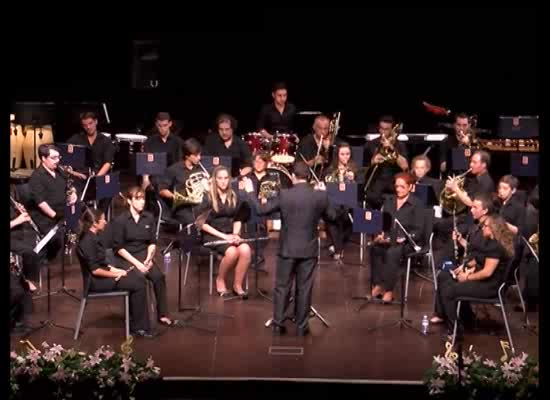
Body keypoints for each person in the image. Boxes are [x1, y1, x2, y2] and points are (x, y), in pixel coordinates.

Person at [242, 161, 338, 336]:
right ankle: (302, 327)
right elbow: (332, 217)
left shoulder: (284, 195)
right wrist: (325, 195)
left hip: (287, 249)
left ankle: (278, 325)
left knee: (282, 287)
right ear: (309, 177)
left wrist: (249, 192)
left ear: (293, 177)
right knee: (305, 288)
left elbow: (261, 210)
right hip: (308, 250)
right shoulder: (320, 196)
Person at [432, 214, 515, 336]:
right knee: (445, 277)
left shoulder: (496, 247)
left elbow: (487, 272)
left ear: (494, 229)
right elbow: (479, 260)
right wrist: (466, 269)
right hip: (484, 282)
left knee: (449, 291)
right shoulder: (490, 242)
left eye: (485, 226)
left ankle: (454, 329)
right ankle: (466, 319)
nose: (482, 228)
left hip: (489, 287)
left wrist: (466, 277)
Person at [76, 208, 153, 338]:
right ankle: (139, 327)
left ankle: (135, 322)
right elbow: (95, 270)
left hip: (102, 275)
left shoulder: (95, 236)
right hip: (96, 283)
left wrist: (116, 270)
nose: (105, 222)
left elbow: (102, 263)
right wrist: (116, 275)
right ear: (95, 223)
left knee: (137, 277)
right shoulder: (87, 241)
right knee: (138, 283)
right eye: (103, 219)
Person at [111, 186, 176, 328]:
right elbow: (118, 248)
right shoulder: (120, 220)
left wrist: (149, 258)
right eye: (138, 199)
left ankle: (163, 314)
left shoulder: (149, 217)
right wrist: (138, 264)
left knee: (159, 277)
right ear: (129, 201)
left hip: (144, 255)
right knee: (139, 279)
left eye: (143, 199)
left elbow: (152, 242)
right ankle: (139, 321)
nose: (142, 202)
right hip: (127, 257)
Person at [369, 172, 423, 303]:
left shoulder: (417, 204)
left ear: (410, 187)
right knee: (374, 248)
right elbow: (383, 223)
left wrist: (404, 238)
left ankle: (388, 290)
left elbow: (418, 230)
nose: (398, 189)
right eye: (397, 186)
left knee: (392, 252)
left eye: (402, 187)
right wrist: (381, 235)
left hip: (408, 241)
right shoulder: (389, 201)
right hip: (389, 238)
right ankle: (378, 285)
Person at [199, 166, 252, 298]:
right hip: (213, 234)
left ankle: (237, 285)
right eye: (220, 178)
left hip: (230, 233)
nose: (223, 181)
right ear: (215, 180)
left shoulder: (234, 195)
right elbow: (202, 224)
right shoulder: (207, 197)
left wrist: (235, 234)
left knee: (245, 249)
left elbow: (238, 218)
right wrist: (224, 237)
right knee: (232, 252)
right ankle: (220, 279)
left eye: (226, 178)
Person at [28, 144, 78, 261]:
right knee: (57, 237)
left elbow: (70, 186)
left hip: (62, 210)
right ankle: (51, 260)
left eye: (58, 157)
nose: (57, 161)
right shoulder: (36, 177)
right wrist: (58, 217)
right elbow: (41, 203)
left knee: (84, 220)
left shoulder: (59, 171)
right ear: (43, 158)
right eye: (53, 158)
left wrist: (73, 193)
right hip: (47, 216)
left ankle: (72, 247)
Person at [67, 111, 116, 213]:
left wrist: (96, 177)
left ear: (96, 122)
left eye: (90, 123)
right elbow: (65, 160)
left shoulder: (105, 141)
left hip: (97, 177)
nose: (88, 127)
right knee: (71, 189)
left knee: (110, 186)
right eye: (85, 125)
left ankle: (100, 217)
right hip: (79, 177)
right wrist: (74, 173)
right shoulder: (76, 139)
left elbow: (107, 163)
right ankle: (79, 218)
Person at [157, 138, 209, 225]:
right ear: (187, 156)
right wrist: (178, 197)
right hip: (183, 208)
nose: (199, 158)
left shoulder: (201, 169)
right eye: (196, 155)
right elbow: (162, 190)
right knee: (196, 221)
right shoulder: (173, 170)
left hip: (201, 205)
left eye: (200, 155)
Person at [363, 115, 409, 209]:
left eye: (387, 129)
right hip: (376, 184)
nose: (383, 132)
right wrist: (373, 161)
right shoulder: (370, 144)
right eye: (381, 129)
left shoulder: (400, 145)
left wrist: (392, 148)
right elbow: (363, 169)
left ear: (392, 130)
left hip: (393, 184)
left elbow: (405, 166)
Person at [322, 142, 357, 260]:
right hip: (333, 203)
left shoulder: (354, 170)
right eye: (342, 154)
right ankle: (337, 248)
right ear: (337, 155)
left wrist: (352, 180)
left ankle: (337, 246)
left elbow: (358, 191)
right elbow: (327, 188)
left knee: (349, 215)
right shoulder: (329, 171)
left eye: (347, 154)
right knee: (331, 215)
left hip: (348, 204)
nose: (345, 157)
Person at [142, 112, 184, 191]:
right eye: (159, 126)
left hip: (172, 177)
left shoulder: (178, 142)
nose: (162, 128)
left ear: (170, 124)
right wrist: (145, 179)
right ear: (156, 124)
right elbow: (145, 161)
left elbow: (180, 163)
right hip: (155, 178)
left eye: (165, 125)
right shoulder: (150, 141)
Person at [10, 198, 40, 291]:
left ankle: (23, 276)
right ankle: (25, 279)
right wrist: (18, 220)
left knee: (37, 245)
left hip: (18, 231)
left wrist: (18, 210)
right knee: (30, 252)